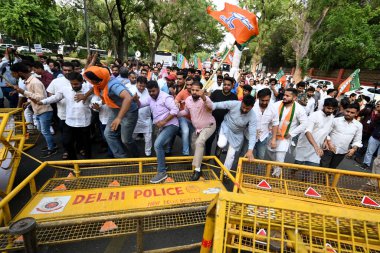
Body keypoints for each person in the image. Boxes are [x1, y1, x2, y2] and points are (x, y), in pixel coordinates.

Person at [83, 66, 139, 158]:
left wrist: (119, 118)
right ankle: (122, 157)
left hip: (129, 112)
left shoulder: (113, 85)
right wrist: (85, 96)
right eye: (91, 81)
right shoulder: (100, 84)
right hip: (115, 110)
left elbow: (128, 98)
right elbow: (98, 90)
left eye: (95, 81)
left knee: (126, 140)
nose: (93, 83)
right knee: (108, 134)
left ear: (101, 78)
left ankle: (137, 157)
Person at [39, 72, 92, 159]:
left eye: (76, 84)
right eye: (72, 84)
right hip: (69, 121)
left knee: (86, 143)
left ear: (82, 81)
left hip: (84, 122)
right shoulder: (65, 89)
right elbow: (56, 97)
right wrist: (43, 102)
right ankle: (73, 161)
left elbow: (95, 97)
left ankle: (88, 161)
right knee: (67, 142)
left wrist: (94, 104)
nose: (74, 86)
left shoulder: (88, 89)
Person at [9, 62, 56, 157]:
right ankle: (51, 145)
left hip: (44, 110)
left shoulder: (34, 82)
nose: (12, 75)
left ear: (20, 72)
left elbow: (41, 98)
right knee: (41, 129)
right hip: (38, 110)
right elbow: (34, 97)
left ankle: (52, 148)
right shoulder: (29, 81)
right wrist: (28, 101)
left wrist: (23, 92)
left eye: (13, 73)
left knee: (45, 131)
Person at [137, 81, 179, 183]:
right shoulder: (150, 98)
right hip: (160, 127)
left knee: (157, 145)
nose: (151, 93)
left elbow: (175, 110)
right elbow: (141, 104)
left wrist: (164, 121)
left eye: (153, 91)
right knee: (161, 147)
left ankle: (162, 172)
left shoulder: (166, 97)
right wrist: (136, 100)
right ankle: (162, 165)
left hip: (171, 125)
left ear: (158, 88)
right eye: (149, 91)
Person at [178, 81, 216, 181]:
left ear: (201, 90)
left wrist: (203, 97)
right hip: (197, 129)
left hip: (209, 126)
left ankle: (197, 170)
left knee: (199, 142)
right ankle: (197, 164)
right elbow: (186, 111)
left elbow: (211, 107)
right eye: (192, 90)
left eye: (197, 90)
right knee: (194, 145)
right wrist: (175, 113)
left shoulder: (205, 98)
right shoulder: (188, 100)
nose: (194, 92)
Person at [267, 88, 308, 177]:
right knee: (271, 154)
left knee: (280, 157)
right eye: (284, 95)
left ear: (294, 98)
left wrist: (291, 134)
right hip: (272, 135)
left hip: (284, 138)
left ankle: (276, 177)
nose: (284, 97)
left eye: (287, 96)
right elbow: (269, 116)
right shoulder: (276, 105)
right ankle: (275, 168)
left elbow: (305, 124)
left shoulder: (299, 109)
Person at [212, 95, 257, 170]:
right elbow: (218, 105)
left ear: (252, 107)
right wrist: (207, 105)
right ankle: (219, 149)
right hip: (226, 126)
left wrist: (250, 151)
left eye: (247, 109)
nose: (245, 110)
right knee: (221, 144)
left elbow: (252, 134)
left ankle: (225, 173)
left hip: (237, 133)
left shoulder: (253, 116)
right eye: (243, 107)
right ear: (241, 102)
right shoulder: (235, 104)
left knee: (231, 155)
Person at [295, 98, 338, 166]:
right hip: (305, 146)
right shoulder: (314, 115)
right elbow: (307, 131)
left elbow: (325, 132)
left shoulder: (332, 118)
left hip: (317, 150)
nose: (330, 111)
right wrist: (316, 147)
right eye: (328, 108)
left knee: (310, 170)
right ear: (324, 106)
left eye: (333, 109)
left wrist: (327, 142)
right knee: (296, 167)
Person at [320, 103, 363, 169]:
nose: (348, 114)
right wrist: (329, 143)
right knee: (323, 167)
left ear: (356, 113)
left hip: (342, 151)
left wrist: (353, 149)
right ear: (344, 110)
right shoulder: (335, 120)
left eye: (352, 112)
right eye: (347, 111)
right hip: (328, 149)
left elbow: (357, 140)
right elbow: (326, 133)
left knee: (332, 169)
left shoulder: (359, 125)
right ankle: (319, 179)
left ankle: (327, 179)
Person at [46, 62, 74, 159]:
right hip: (63, 114)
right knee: (65, 136)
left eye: (69, 70)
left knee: (77, 134)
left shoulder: (78, 79)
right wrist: (56, 98)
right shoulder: (56, 81)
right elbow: (50, 92)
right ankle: (66, 151)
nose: (67, 72)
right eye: (65, 70)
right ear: (62, 70)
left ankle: (80, 149)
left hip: (77, 114)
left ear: (73, 70)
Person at [205, 77, 238, 155]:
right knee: (209, 139)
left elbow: (234, 111)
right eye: (225, 84)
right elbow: (209, 105)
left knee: (220, 142)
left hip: (225, 123)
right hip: (213, 121)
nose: (226, 86)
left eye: (228, 85)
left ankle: (217, 157)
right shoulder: (216, 92)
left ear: (232, 86)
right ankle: (207, 156)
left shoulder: (234, 97)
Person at [253, 88, 279, 159]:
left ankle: (258, 170)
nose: (264, 103)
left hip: (263, 136)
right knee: (243, 154)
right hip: (249, 135)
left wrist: (273, 139)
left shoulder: (273, 108)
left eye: (267, 100)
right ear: (258, 98)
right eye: (262, 100)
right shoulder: (252, 106)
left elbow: (275, 124)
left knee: (261, 156)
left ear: (270, 98)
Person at [130, 76, 153, 157]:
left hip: (146, 118)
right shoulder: (131, 90)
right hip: (134, 119)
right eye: (140, 85)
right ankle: (132, 153)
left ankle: (148, 154)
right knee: (131, 138)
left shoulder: (148, 91)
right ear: (136, 83)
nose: (142, 88)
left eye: (143, 86)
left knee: (148, 138)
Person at [175, 77, 194, 155]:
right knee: (185, 131)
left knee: (192, 137)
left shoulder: (197, 92)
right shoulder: (183, 92)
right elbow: (176, 100)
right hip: (183, 118)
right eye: (187, 85)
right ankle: (185, 153)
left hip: (194, 119)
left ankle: (191, 151)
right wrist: (177, 103)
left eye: (191, 85)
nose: (189, 86)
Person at [361, 101, 380, 170]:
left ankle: (377, 169)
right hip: (375, 135)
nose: (378, 106)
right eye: (378, 104)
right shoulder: (374, 112)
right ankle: (366, 163)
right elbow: (374, 121)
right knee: (369, 151)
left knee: (379, 156)